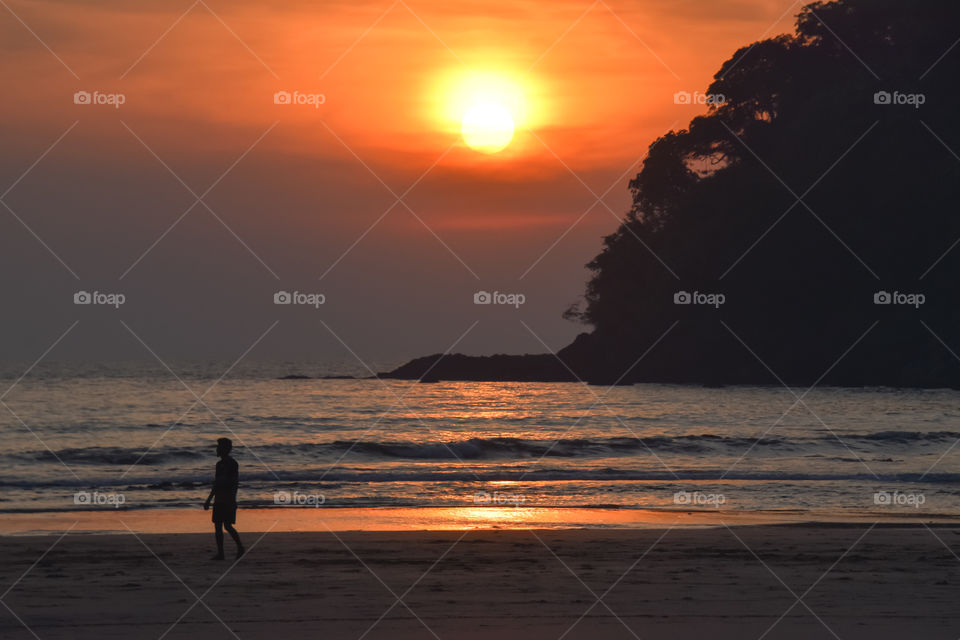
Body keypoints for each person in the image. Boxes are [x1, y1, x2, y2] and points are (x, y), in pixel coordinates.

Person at [204, 437, 245, 560]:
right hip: (219, 499)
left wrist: (232, 499)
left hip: (228, 499)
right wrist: (209, 499)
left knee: (227, 526)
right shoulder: (219, 464)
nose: (217, 449)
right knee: (217, 526)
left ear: (225, 449)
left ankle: (240, 547)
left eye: (219, 447)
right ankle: (221, 553)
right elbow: (216, 484)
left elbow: (234, 483)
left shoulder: (232, 464)